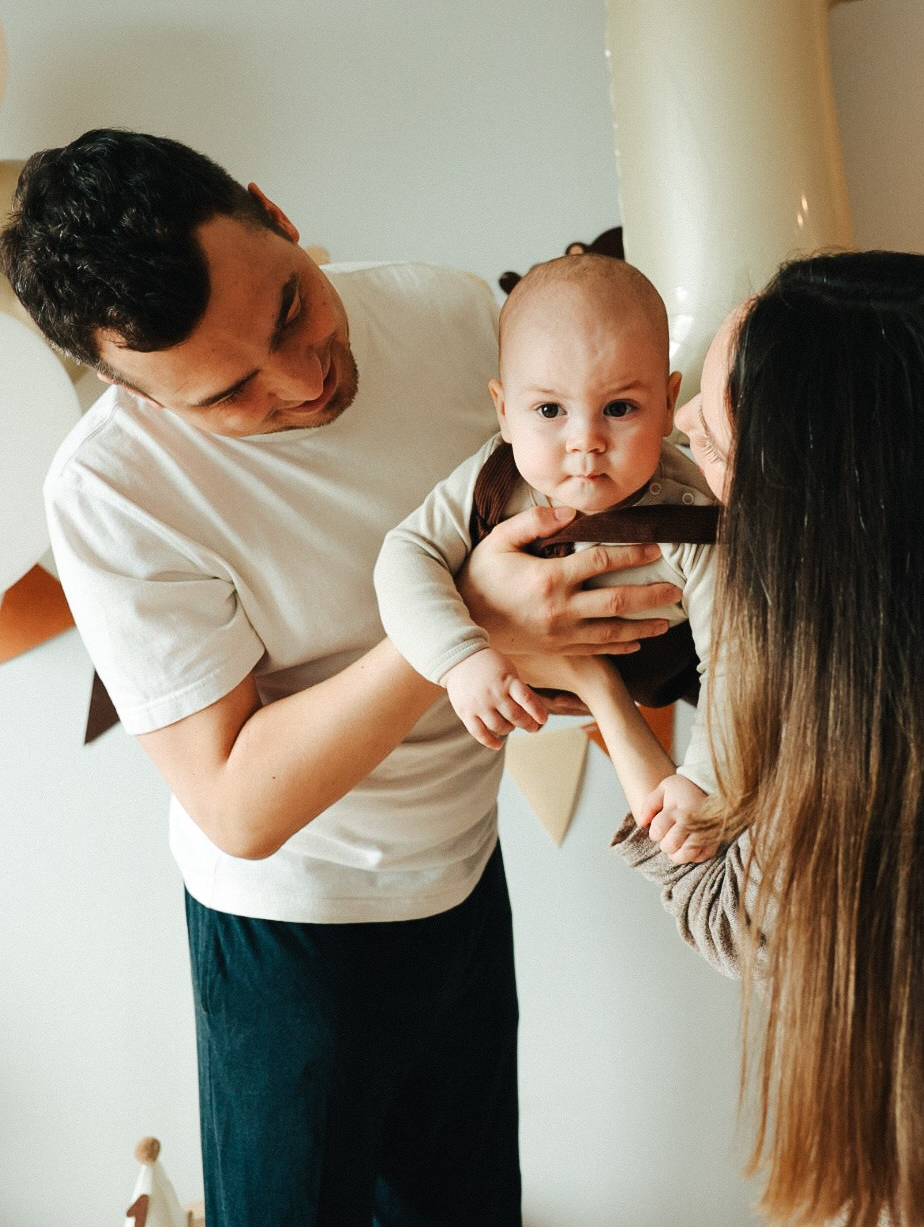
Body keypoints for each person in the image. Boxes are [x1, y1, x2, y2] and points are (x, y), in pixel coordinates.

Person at [0, 127, 683, 1227]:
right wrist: (463, 625)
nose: (303, 375)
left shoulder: (460, 316)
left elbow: (579, 512)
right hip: (291, 935)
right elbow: (236, 803)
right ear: (132, 392)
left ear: (276, 214)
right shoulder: (109, 492)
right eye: (229, 394)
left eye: (290, 309)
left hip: (463, 877)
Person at [549, 251, 924, 1227]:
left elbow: (718, 907)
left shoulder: (829, 777)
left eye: (710, 439)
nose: (683, 442)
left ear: (811, 514)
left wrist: (589, 680)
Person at [373, 252, 723, 857]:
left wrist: (704, 779)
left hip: (671, 669)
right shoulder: (492, 480)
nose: (585, 440)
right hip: (534, 674)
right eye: (549, 410)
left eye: (620, 408)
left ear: (668, 406)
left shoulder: (694, 517)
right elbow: (406, 555)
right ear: (504, 409)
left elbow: (735, 664)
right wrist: (459, 658)